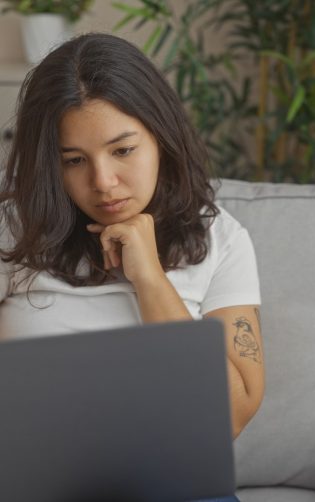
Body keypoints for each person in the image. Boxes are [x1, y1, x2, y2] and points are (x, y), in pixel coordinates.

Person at [0, 33, 265, 502]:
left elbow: (231, 417)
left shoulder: (220, 238)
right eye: (74, 161)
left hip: (173, 488)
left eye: (123, 150)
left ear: (161, 137)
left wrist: (149, 278)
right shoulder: (11, 230)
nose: (103, 183)